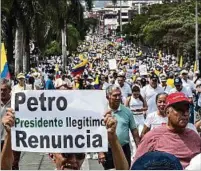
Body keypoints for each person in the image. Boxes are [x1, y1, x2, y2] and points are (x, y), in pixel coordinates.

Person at [133, 92, 201, 169]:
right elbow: (136, 165)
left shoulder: (194, 136)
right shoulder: (153, 137)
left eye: (187, 110)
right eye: (179, 109)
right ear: (167, 112)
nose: (185, 113)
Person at [99, 85, 140, 170]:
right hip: (108, 150)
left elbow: (134, 132)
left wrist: (139, 149)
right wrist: (100, 152)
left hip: (124, 149)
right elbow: (97, 133)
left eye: (119, 95)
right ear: (108, 97)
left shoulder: (127, 111)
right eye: (115, 95)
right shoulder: (102, 112)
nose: (118, 98)